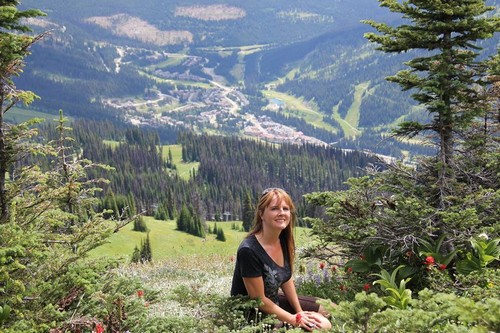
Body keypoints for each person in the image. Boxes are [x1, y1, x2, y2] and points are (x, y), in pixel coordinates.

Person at [231, 188, 332, 331]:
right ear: (261, 214)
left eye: (285, 208)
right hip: (254, 313)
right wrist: (294, 319)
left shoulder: (282, 239)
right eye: (274, 208)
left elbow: (286, 278)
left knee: (330, 308)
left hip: (274, 301)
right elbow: (258, 300)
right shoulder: (249, 250)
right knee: (323, 326)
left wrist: (299, 312)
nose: (281, 213)